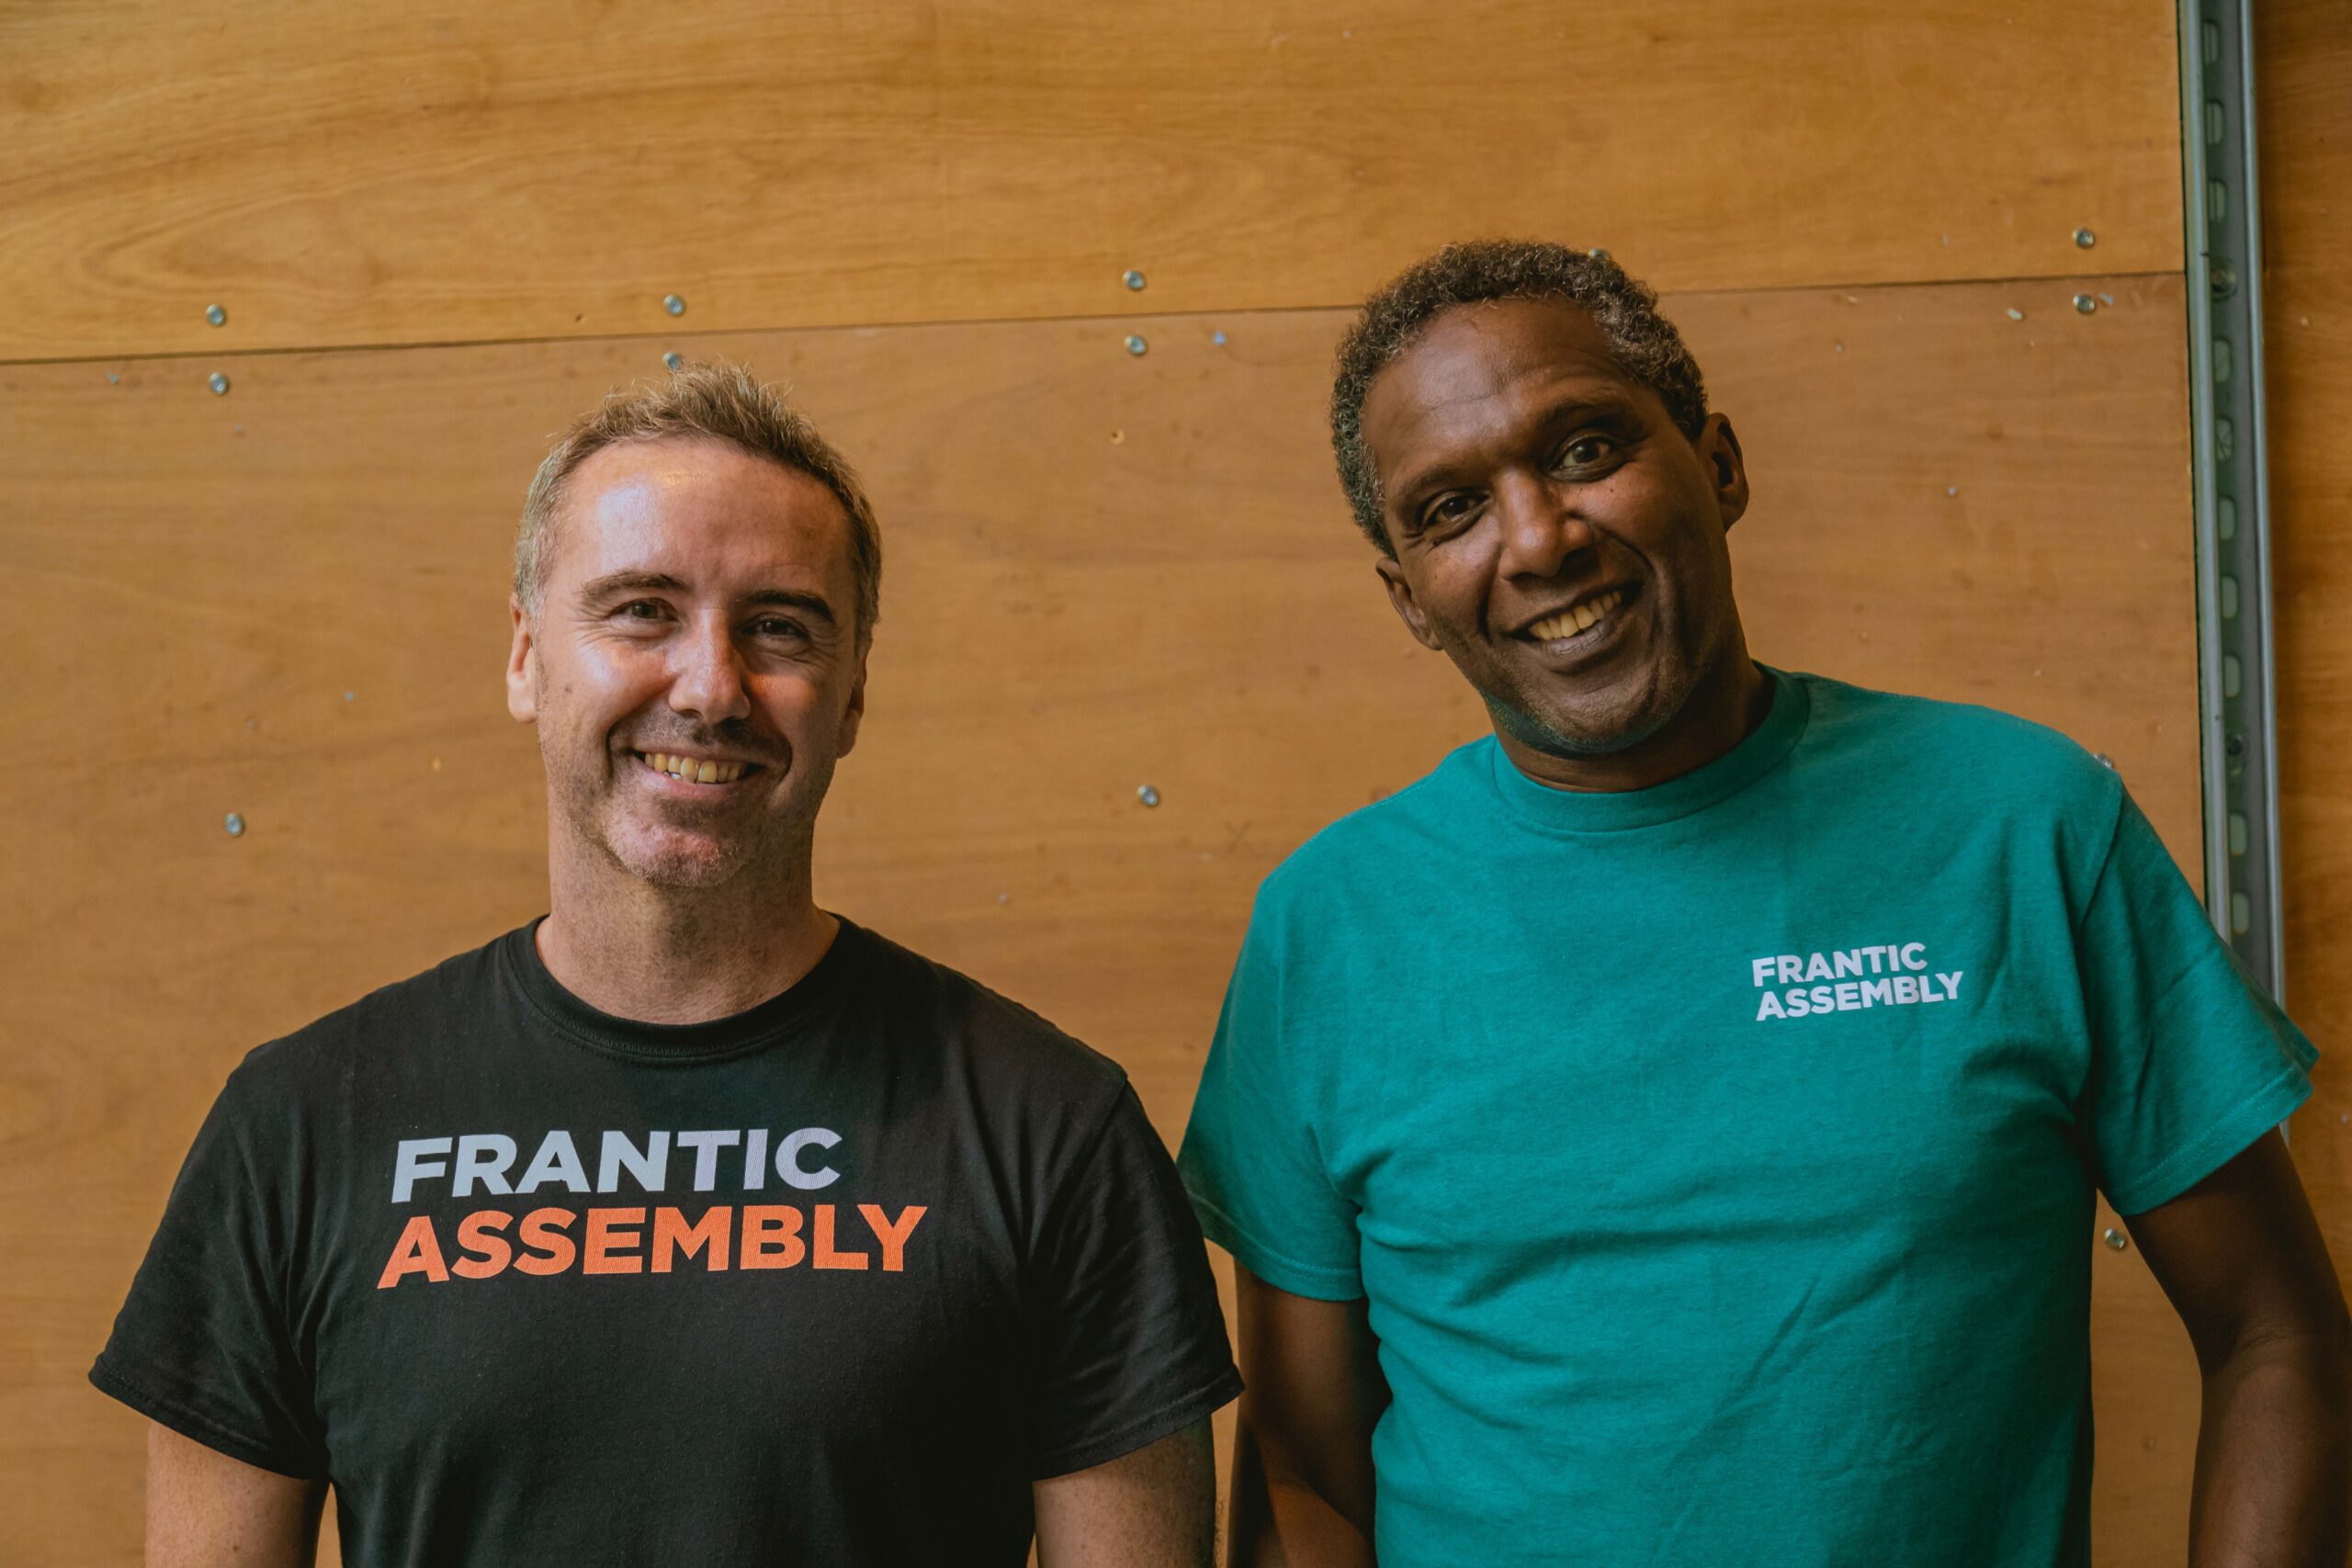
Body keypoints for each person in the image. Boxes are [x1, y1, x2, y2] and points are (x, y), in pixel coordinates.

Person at [1179, 240, 2350, 1566]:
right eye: (1450, 510)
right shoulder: (1328, 927)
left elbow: (2276, 1333)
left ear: (1719, 466)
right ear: (1408, 598)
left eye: (1581, 449)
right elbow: (1303, 1467)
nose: (1540, 538)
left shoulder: (2022, 824)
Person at [94, 363, 1241, 1567]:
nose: (710, 686)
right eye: (641, 610)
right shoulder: (303, 1124)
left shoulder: (1049, 1126)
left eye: (781, 627)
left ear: (850, 697)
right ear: (530, 659)